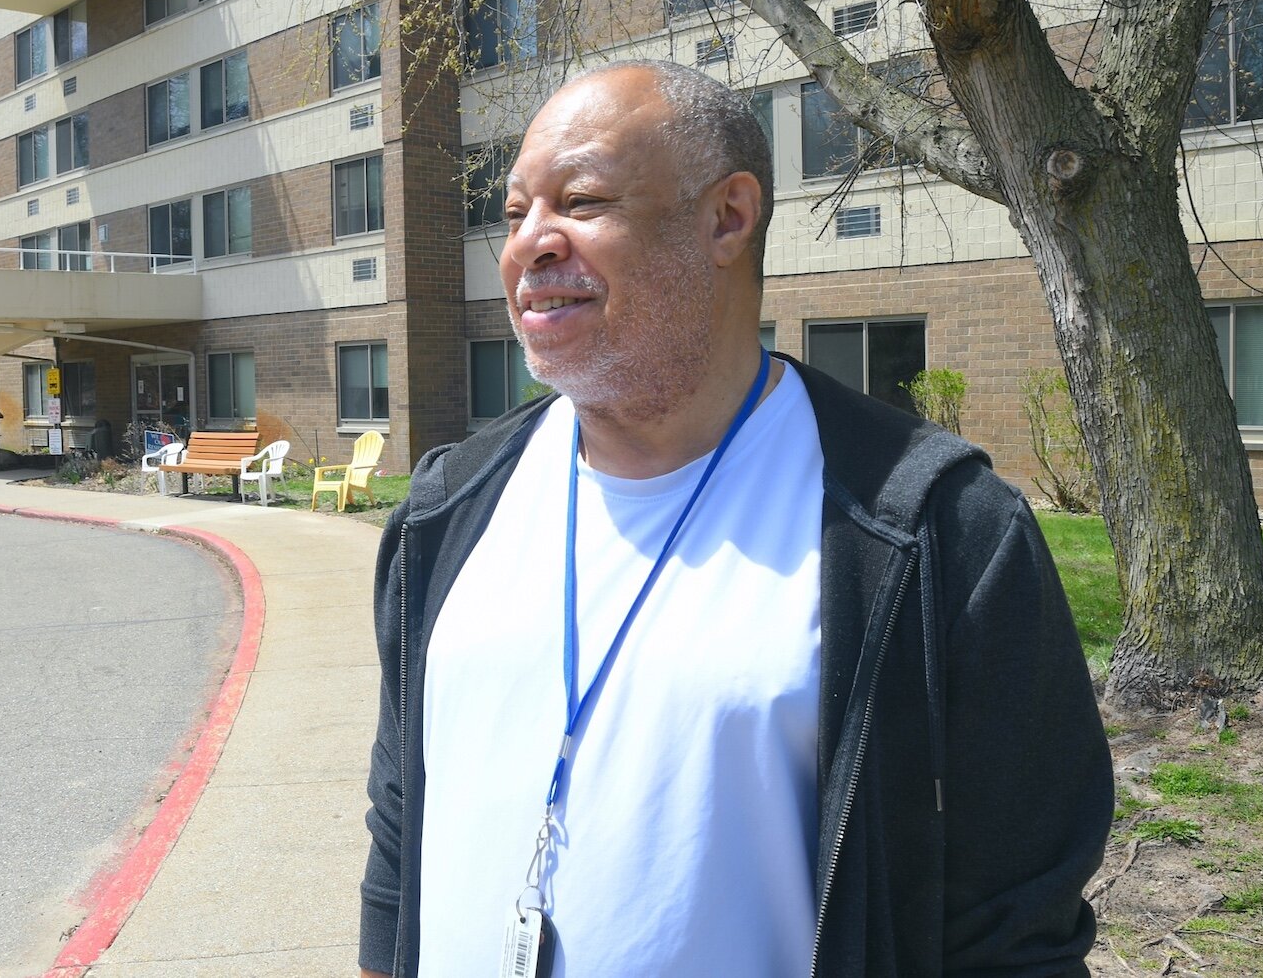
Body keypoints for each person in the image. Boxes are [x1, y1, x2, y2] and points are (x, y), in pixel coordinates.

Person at [359, 60, 1112, 977]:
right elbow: (400, 837)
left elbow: (1015, 929)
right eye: (516, 214)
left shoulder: (933, 531)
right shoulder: (444, 513)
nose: (529, 245)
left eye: (581, 201)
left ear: (727, 217)